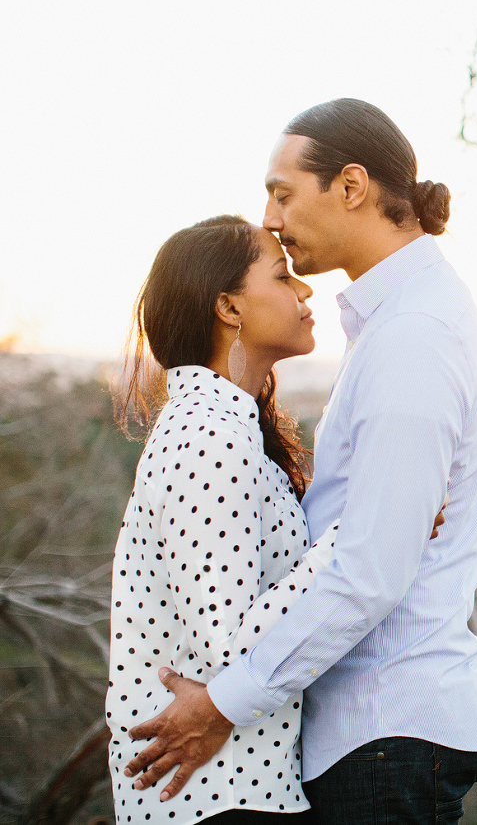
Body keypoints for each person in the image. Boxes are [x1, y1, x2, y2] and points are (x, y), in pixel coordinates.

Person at [124, 99, 477, 825]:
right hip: (370, 731)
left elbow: (371, 566)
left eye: (283, 192)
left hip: (384, 725)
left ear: (351, 187)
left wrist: (223, 704)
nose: (269, 217)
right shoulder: (396, 324)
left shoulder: (414, 335)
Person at [108, 215, 335, 823]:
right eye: (283, 276)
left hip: (233, 786)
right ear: (229, 307)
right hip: (212, 796)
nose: (305, 290)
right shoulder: (208, 435)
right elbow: (225, 641)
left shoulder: (225, 427)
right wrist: (351, 547)